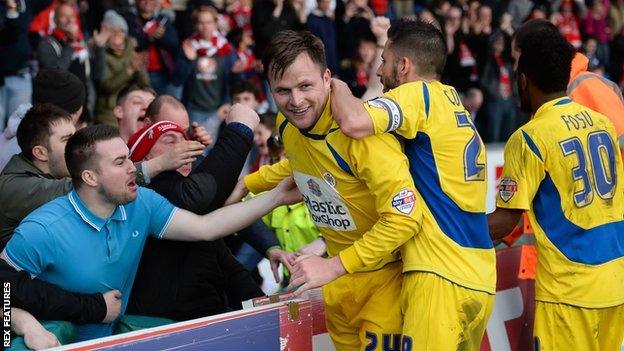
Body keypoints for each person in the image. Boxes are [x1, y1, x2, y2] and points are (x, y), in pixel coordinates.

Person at [1, 123, 301, 342]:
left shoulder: (141, 203)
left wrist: (274, 197)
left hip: (116, 339)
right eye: (120, 162)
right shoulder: (44, 228)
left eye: (129, 157)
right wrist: (26, 326)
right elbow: (2, 291)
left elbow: (206, 227)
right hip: (55, 343)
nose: (134, 168)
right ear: (90, 177)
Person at [233, 30, 422, 350]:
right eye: (283, 90)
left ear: (326, 77)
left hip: (386, 280)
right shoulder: (287, 124)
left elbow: (406, 217)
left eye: (305, 86)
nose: (296, 101)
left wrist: (330, 265)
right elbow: (297, 161)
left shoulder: (361, 134)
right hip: (337, 286)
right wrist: (245, 185)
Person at [330, 19, 496, 350]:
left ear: (404, 66)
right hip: (481, 276)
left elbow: (353, 122)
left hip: (440, 277)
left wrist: (337, 86)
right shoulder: (450, 98)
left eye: (385, 61)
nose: (379, 71)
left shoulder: (416, 95)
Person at [487, 28, 624, 351]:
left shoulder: (529, 138)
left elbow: (506, 220)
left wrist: (445, 226)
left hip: (569, 294)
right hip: (615, 284)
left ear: (523, 80)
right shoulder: (600, 123)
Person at [125, 116, 270, 322]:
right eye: (169, 140)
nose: (182, 146)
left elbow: (229, 266)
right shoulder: (146, 196)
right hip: (160, 328)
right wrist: (240, 128)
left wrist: (264, 308)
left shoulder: (188, 197)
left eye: (184, 139)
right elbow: (195, 196)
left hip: (207, 322)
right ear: (147, 159)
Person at [511, 19, 624, 159]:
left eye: (516, 60)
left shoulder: (589, 87)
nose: (515, 67)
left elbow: (620, 145)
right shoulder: (547, 98)